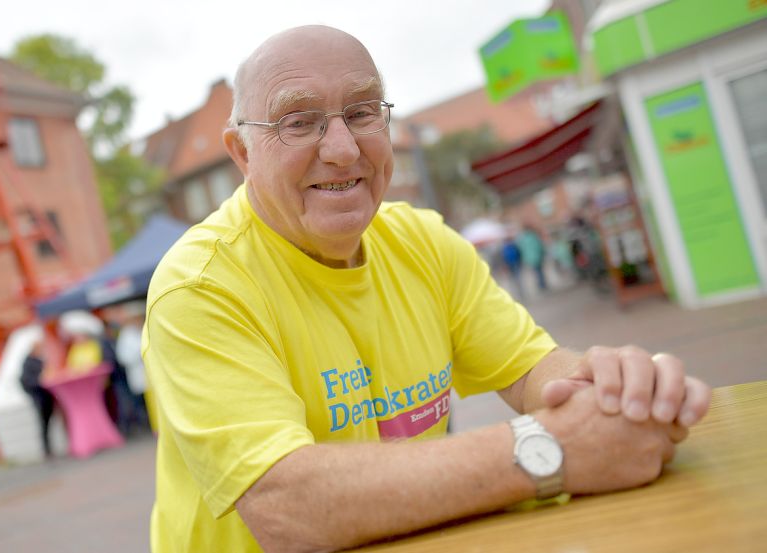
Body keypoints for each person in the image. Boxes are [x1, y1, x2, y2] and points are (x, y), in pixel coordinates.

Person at [142, 26, 711, 552]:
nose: (342, 148)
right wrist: (551, 449)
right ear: (242, 153)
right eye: (299, 121)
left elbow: (536, 372)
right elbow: (288, 508)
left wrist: (613, 393)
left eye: (363, 112)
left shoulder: (425, 241)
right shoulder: (198, 286)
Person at [114, 301, 150, 435]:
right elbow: (123, 356)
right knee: (141, 402)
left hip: (148, 372)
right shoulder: (126, 335)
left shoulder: (143, 328)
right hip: (138, 373)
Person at [19, 342, 55, 458]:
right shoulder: (28, 363)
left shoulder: (39, 361)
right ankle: (46, 450)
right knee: (43, 424)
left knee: (48, 423)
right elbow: (27, 381)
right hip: (39, 398)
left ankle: (49, 448)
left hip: (47, 397)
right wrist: (40, 381)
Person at [517, 225, 548, 292]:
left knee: (536, 271)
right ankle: (542, 284)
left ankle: (540, 284)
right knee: (540, 271)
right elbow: (539, 245)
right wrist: (542, 253)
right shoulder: (533, 236)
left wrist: (525, 258)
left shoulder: (523, 238)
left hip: (530, 258)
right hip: (537, 256)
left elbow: (522, 249)